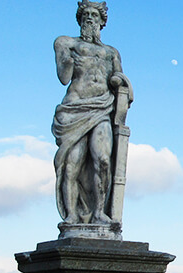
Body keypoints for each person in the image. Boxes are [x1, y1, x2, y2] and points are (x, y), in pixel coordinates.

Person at [52, 0, 131, 225]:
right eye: (85, 14)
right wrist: (69, 61)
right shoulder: (65, 43)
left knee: (103, 160)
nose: (89, 18)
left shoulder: (111, 52)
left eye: (94, 15)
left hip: (102, 108)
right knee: (72, 164)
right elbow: (63, 77)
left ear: (101, 21)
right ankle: (71, 216)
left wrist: (119, 82)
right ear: (80, 18)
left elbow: (118, 78)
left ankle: (99, 213)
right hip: (74, 111)